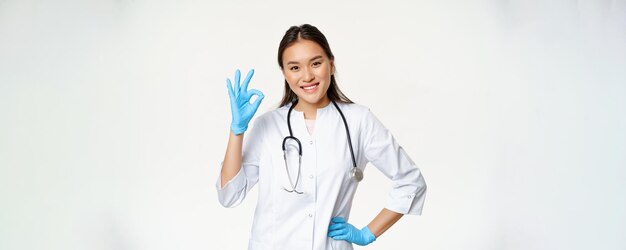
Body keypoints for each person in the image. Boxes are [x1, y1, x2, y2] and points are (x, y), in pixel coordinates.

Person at [217, 24, 427, 250]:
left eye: (316, 63)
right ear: (285, 73)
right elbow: (229, 195)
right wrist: (237, 131)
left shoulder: (358, 121)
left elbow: (410, 181)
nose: (307, 76)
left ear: (331, 64)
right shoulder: (267, 125)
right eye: (295, 67)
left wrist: (367, 233)